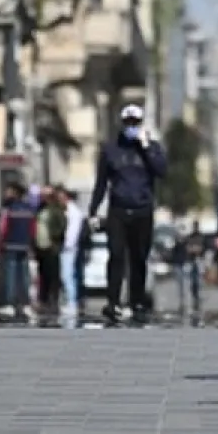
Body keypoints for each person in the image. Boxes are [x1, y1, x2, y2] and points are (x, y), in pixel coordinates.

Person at [88, 103, 167, 325]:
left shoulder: (152, 147)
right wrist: (93, 211)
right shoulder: (111, 149)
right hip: (118, 211)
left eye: (135, 123)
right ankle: (113, 302)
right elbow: (101, 182)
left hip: (143, 210)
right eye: (128, 123)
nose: (131, 126)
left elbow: (161, 171)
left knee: (139, 258)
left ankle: (137, 302)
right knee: (116, 256)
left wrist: (146, 148)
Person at [0, 182, 37, 319]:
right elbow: (33, 229)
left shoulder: (8, 209)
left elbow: (2, 229)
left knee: (10, 276)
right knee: (24, 277)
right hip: (24, 246)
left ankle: (9, 304)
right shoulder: (29, 209)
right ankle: (25, 304)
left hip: (10, 245)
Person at [35, 188, 66, 315]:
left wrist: (55, 238)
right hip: (41, 246)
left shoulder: (56, 210)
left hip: (52, 246)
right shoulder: (39, 210)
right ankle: (43, 299)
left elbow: (61, 225)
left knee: (53, 274)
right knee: (43, 274)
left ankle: (53, 299)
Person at [59, 187, 85, 316]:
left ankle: (71, 301)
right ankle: (70, 301)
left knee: (67, 275)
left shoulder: (73, 212)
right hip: (69, 246)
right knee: (68, 275)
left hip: (69, 247)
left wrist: (67, 245)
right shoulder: (70, 211)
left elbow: (72, 232)